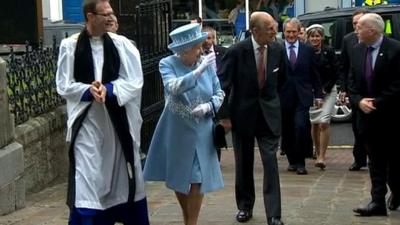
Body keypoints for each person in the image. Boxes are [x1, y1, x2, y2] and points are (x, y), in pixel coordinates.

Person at [55, 0, 149, 224]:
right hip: (87, 123)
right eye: (104, 14)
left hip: (117, 125)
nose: (110, 17)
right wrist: (88, 90)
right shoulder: (70, 46)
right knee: (89, 176)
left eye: (111, 13)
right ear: (90, 16)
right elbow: (63, 84)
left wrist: (109, 89)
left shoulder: (122, 45)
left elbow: (135, 81)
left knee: (122, 177)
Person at [143, 23, 224, 225]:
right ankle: (187, 217)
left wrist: (209, 107)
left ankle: (192, 222)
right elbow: (173, 87)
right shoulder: (167, 64)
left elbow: (220, 93)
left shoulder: (205, 63)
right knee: (180, 176)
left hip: (202, 129)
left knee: (197, 176)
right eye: (197, 47)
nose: (201, 51)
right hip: (176, 127)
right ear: (184, 50)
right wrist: (197, 74)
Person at [219, 11, 286, 225]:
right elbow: (223, 86)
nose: (275, 31)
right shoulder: (237, 51)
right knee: (244, 164)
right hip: (243, 116)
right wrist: (225, 117)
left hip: (268, 116)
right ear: (255, 31)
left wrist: (276, 105)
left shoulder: (277, 49)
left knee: (270, 163)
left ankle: (274, 215)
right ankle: (245, 206)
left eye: (275, 27)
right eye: (270, 29)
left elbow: (281, 80)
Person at [350, 13, 400, 216]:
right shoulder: (356, 50)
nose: (356, 30)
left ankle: (397, 191)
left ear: (372, 30)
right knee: (375, 160)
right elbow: (351, 82)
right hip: (367, 116)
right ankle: (377, 201)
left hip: (391, 116)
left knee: (395, 162)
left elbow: (398, 84)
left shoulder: (395, 49)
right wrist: (359, 101)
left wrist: (377, 102)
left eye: (360, 27)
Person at [280, 17, 323, 175]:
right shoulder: (277, 49)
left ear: (299, 32)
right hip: (283, 96)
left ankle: (301, 162)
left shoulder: (308, 50)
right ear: (283, 32)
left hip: (303, 95)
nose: (291, 35)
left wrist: (318, 95)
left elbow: (315, 74)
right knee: (288, 129)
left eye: (294, 32)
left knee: (301, 127)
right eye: (288, 32)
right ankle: (292, 160)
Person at [338, 9, 369, 171]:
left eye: (360, 23)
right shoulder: (348, 40)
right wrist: (343, 89)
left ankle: (374, 156)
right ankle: (360, 159)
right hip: (355, 91)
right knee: (357, 128)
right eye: (354, 23)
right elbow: (343, 66)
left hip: (372, 90)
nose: (357, 26)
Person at [306, 24, 339, 170]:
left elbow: (335, 72)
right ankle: (316, 150)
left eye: (317, 36)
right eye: (312, 36)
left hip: (329, 90)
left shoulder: (329, 51)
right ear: (308, 38)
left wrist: (325, 88)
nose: (315, 38)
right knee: (314, 123)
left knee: (324, 122)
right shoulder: (305, 52)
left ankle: (322, 156)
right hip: (312, 92)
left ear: (322, 37)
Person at [202, 26, 230, 154]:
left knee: (220, 127)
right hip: (204, 95)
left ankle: (217, 148)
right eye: (205, 38)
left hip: (221, 94)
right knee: (209, 129)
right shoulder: (197, 54)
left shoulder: (224, 52)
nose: (208, 41)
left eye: (210, 38)